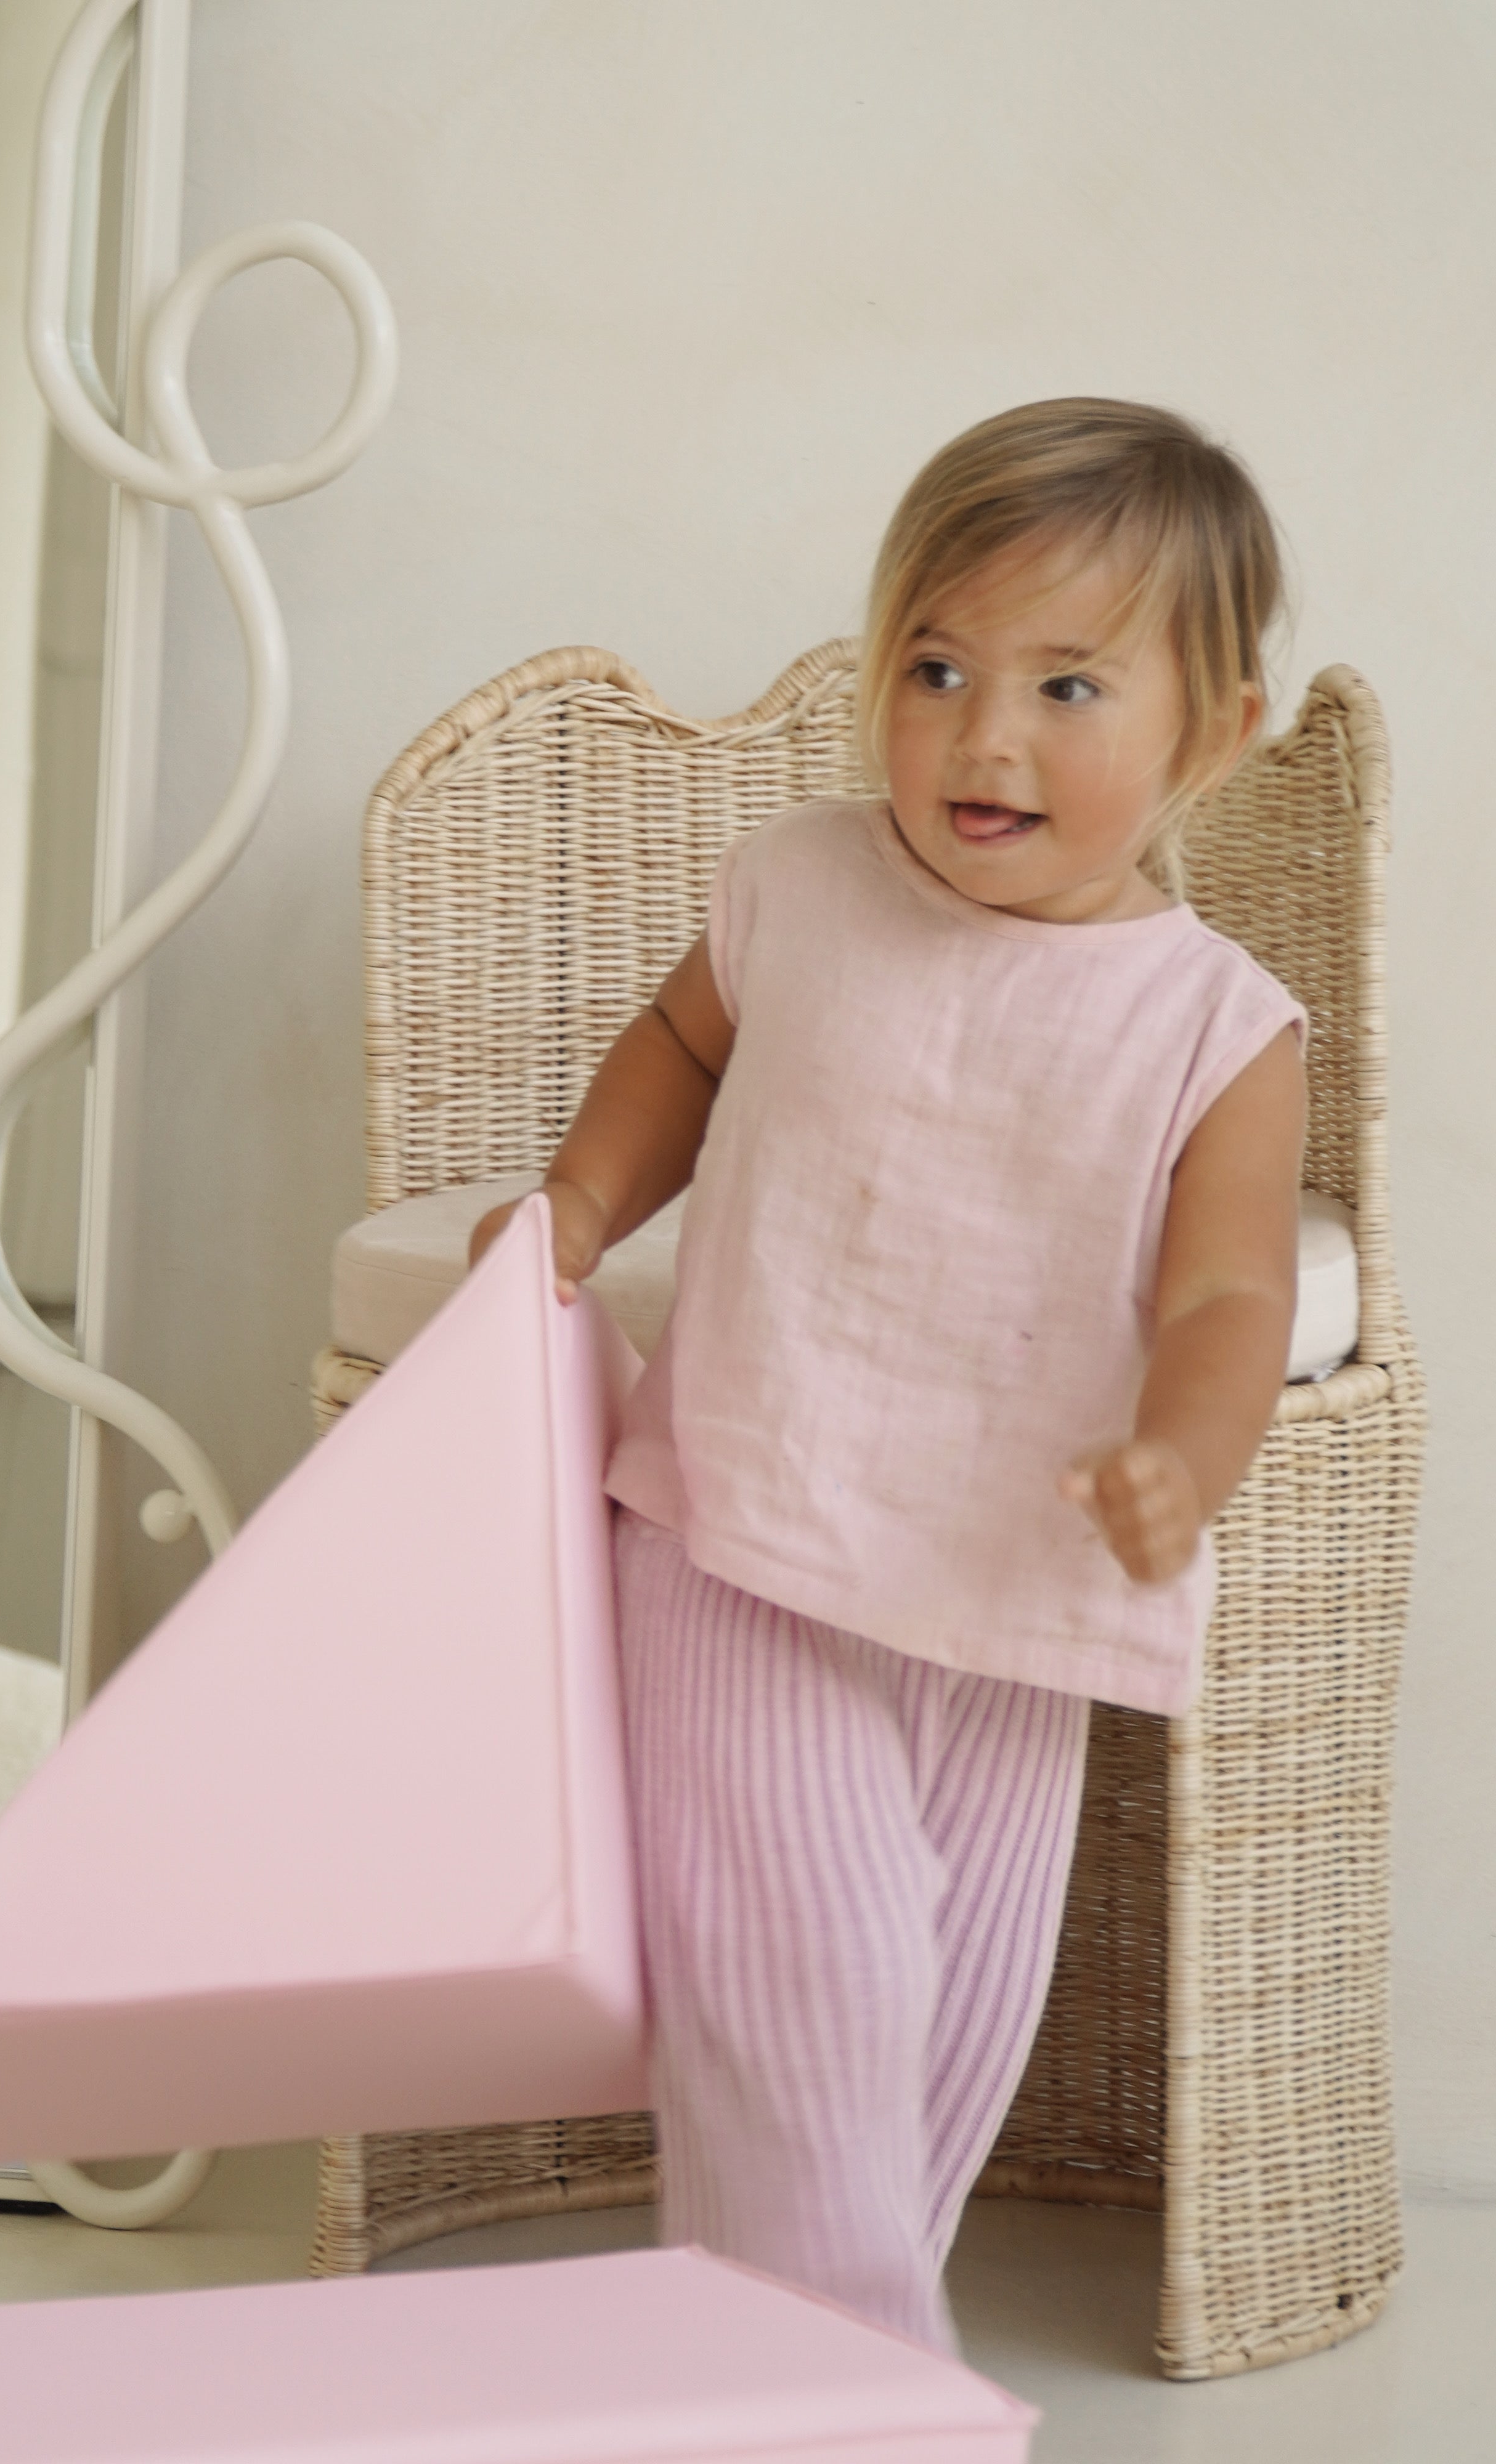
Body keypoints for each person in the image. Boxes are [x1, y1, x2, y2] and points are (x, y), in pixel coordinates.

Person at [470, 398, 1306, 2352]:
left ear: (1215, 732)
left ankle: (770, 2371)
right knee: (802, 1999)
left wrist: (1186, 1457)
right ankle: (847, 2401)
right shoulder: (805, 884)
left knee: (934, 2043)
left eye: (1066, 686)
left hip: (1013, 1599)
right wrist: (580, 1199)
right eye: (933, 669)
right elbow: (683, 1051)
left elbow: (1230, 1295)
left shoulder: (1215, 1024)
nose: (981, 736)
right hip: (750, 1536)